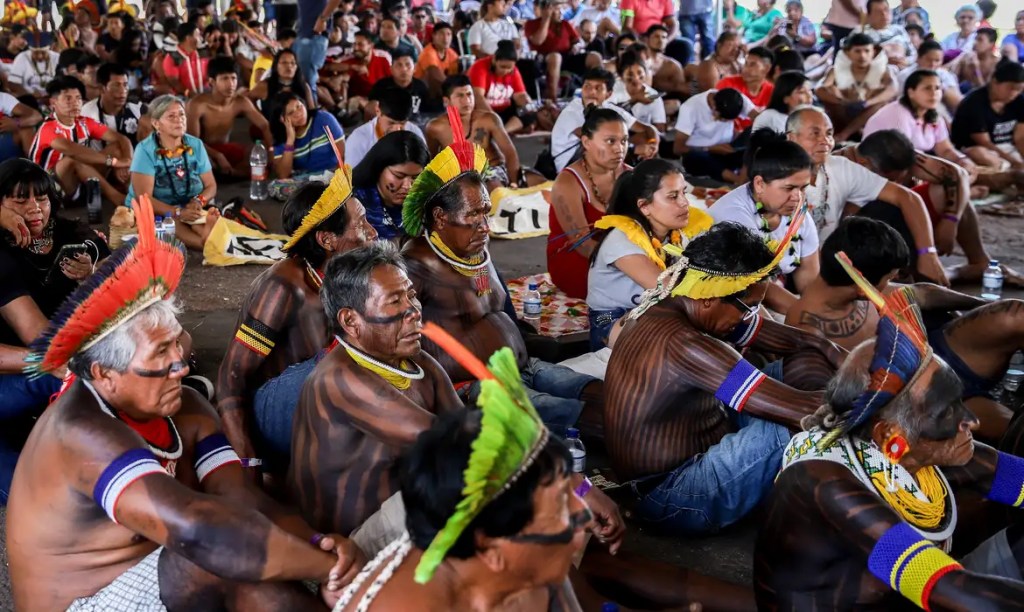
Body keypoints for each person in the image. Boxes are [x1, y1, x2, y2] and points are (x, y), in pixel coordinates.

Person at [5, 194, 364, 611]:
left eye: (177, 343)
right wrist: (327, 568)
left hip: (160, 575)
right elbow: (197, 531)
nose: (180, 364)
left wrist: (319, 543)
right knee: (209, 554)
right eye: (161, 353)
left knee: (245, 563)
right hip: (85, 602)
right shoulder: (80, 430)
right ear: (104, 374)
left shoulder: (187, 406)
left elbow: (243, 499)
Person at [757, 256, 1024, 609]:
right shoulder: (824, 483)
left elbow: (1018, 480)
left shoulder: (925, 450)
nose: (971, 421)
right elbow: (939, 585)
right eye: (946, 411)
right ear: (888, 435)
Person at [603, 221, 843, 536]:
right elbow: (806, 412)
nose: (749, 317)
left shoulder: (679, 301)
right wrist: (878, 393)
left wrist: (832, 349)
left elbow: (793, 340)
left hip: (700, 445)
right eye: (749, 308)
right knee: (796, 426)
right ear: (709, 297)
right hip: (672, 495)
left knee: (809, 361)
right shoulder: (689, 346)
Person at [401, 114, 603, 434]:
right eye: (474, 215)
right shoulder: (414, 266)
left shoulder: (473, 247)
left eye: (486, 212)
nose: (486, 226)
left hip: (525, 366)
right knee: (593, 416)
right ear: (439, 217)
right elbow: (394, 345)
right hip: (478, 387)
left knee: (606, 394)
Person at [331, 362, 587, 610]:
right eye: (561, 507)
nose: (583, 513)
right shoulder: (403, 605)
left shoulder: (527, 555)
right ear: (490, 549)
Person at [786, 216, 1018, 440]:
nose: (890, 284)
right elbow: (843, 405)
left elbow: (922, 293)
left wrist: (982, 305)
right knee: (1016, 431)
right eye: (888, 278)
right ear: (861, 284)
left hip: (938, 351)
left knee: (1015, 314)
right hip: (925, 400)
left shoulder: (854, 287)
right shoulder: (807, 330)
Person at [288, 241, 462, 537]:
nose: (413, 310)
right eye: (395, 301)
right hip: (353, 542)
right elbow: (445, 439)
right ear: (350, 321)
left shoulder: (420, 363)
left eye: (411, 295)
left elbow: (463, 425)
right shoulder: (340, 378)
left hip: (401, 513)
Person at [218, 170, 378, 472]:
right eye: (360, 224)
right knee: (335, 368)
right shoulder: (283, 286)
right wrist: (248, 460)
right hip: (275, 414)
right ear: (327, 239)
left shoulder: (345, 278)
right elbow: (232, 375)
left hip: (321, 407)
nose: (373, 232)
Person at [0, 159, 110, 502]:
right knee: (31, 491)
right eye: (20, 200)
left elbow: (113, 262)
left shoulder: (63, 233)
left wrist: (92, 272)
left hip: (24, 377)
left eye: (41, 198)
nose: (34, 207)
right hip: (21, 372)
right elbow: (41, 340)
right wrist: (54, 361)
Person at [837, 129, 1024, 289]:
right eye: (891, 178)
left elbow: (956, 175)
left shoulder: (894, 155)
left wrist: (950, 221)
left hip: (903, 213)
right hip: (866, 231)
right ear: (865, 163)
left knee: (952, 193)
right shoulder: (839, 167)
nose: (898, 181)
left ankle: (980, 262)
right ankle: (948, 274)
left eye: (902, 176)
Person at [785, 107, 948, 287]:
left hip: (831, 262)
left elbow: (907, 197)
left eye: (829, 134)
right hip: (789, 265)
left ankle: (912, 276)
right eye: (815, 134)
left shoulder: (839, 167)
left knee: (888, 210)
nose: (825, 140)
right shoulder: (775, 176)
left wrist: (928, 253)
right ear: (792, 138)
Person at [587, 158, 713, 349]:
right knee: (684, 341)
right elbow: (672, 291)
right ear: (644, 206)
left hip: (657, 312)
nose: (685, 203)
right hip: (613, 319)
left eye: (683, 193)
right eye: (673, 196)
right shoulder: (622, 240)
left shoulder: (675, 233)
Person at [710, 131, 818, 313]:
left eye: (803, 188)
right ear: (759, 184)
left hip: (777, 300)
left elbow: (809, 276)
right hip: (737, 304)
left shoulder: (798, 211)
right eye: (789, 188)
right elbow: (758, 288)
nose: (797, 197)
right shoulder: (734, 216)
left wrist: (818, 311)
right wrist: (810, 316)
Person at [548, 109, 628, 300]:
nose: (619, 149)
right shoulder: (568, 182)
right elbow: (582, 244)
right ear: (586, 142)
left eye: (624, 141)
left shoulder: (630, 176)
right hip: (579, 263)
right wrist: (633, 265)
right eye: (610, 141)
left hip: (623, 258)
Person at [126, 95, 217, 251]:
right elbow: (144, 199)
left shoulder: (195, 144)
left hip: (189, 207)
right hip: (156, 210)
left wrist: (198, 201)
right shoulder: (145, 150)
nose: (178, 120)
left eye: (181, 114)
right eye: (171, 116)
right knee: (171, 223)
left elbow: (211, 185)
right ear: (156, 123)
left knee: (198, 222)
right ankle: (205, 245)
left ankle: (209, 238)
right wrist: (178, 212)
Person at [28, 75, 133, 205]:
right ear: (53, 103)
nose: (75, 103)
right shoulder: (48, 127)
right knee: (73, 159)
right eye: (68, 99)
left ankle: (132, 191)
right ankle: (118, 198)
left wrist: (127, 162)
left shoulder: (84, 122)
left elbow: (122, 139)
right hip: (49, 190)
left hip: (81, 182)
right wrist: (114, 162)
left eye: (78, 98)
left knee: (116, 148)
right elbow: (72, 150)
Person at [551, 68, 658, 174]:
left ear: (608, 94)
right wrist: (634, 149)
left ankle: (639, 174)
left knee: (643, 137)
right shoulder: (572, 111)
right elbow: (593, 139)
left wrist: (653, 144)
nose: (592, 92)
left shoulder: (608, 108)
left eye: (598, 88)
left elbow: (647, 128)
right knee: (598, 144)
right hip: (569, 165)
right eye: (587, 86)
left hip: (600, 156)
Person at [425, 75, 522, 191]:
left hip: (491, 171)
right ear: (446, 101)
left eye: (469, 94)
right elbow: (431, 160)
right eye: (460, 96)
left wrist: (514, 183)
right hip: (460, 177)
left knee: (492, 185)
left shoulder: (489, 119)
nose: (467, 101)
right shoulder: (435, 128)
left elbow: (510, 152)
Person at [186, 56, 274, 178]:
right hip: (203, 152)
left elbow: (264, 125)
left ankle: (232, 173)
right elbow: (192, 141)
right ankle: (229, 174)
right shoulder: (197, 104)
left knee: (257, 152)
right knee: (200, 161)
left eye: (233, 78)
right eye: (225, 79)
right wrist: (217, 156)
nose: (231, 84)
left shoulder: (240, 102)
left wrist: (271, 151)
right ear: (212, 82)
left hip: (225, 150)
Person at [816, 33, 898, 143]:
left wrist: (867, 103)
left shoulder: (884, 70)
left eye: (867, 51)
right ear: (848, 53)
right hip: (844, 114)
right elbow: (819, 89)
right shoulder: (836, 69)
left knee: (882, 102)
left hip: (869, 113)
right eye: (857, 51)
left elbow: (893, 88)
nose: (862, 56)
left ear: (873, 52)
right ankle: (852, 132)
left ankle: (845, 134)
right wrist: (842, 101)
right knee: (831, 93)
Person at [352, 130, 430, 241]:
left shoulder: (427, 201)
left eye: (416, 177)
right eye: (399, 176)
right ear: (379, 167)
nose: (408, 186)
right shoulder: (354, 205)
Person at [951, 59, 1024, 171]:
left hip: (1010, 148)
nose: (1014, 93)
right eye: (1010, 88)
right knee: (979, 154)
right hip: (983, 150)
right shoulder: (974, 103)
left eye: (1018, 89)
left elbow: (1020, 137)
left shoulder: (1019, 101)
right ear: (994, 82)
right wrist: (1013, 162)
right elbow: (984, 142)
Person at [673, 86, 752, 183]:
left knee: (755, 132)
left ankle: (745, 173)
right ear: (714, 107)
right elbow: (678, 149)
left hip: (728, 149)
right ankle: (738, 180)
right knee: (698, 157)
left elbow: (760, 118)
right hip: (703, 153)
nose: (724, 122)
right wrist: (709, 148)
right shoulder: (690, 107)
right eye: (723, 119)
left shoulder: (736, 98)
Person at [271, 92, 346, 180]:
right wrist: (290, 140)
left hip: (333, 174)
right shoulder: (281, 137)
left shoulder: (324, 119)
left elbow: (343, 156)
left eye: (299, 106)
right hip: (305, 181)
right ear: (282, 119)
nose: (298, 113)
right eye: (291, 113)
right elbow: (283, 175)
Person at [346, 88, 426, 169]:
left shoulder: (415, 133)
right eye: (391, 123)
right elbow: (353, 175)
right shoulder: (358, 139)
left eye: (402, 124)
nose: (397, 129)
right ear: (378, 111)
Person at [467, 40, 533, 134]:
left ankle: (502, 132)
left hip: (504, 111)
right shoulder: (480, 67)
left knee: (529, 115)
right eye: (502, 67)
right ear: (494, 60)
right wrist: (494, 118)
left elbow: (520, 95)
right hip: (484, 111)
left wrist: (528, 104)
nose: (505, 71)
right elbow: (478, 97)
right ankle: (499, 131)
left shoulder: (514, 71)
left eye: (509, 68)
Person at [81, 63, 148, 150]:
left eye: (125, 85)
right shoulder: (86, 113)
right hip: (101, 157)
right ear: (101, 88)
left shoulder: (138, 108)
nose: (123, 91)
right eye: (116, 85)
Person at [896, 40, 963, 118]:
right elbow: (901, 102)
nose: (932, 64)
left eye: (937, 60)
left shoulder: (945, 75)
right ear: (918, 58)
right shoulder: (904, 76)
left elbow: (956, 99)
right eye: (928, 60)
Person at [716, 45, 774, 128]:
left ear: (766, 68)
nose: (746, 69)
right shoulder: (727, 84)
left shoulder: (773, 92)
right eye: (746, 63)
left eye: (752, 65)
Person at [366, 50, 432, 121]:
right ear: (391, 69)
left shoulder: (421, 87)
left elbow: (427, 111)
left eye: (408, 65)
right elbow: (371, 107)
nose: (404, 69)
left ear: (414, 68)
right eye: (399, 65)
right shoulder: (381, 86)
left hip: (414, 123)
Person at [248, 48, 316, 115]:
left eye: (292, 63)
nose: (289, 66)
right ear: (276, 66)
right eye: (284, 62)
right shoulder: (265, 86)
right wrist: (259, 117)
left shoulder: (304, 86)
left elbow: (312, 112)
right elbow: (248, 100)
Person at [294, 0, 338, 102]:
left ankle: (312, 110)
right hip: (304, 33)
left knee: (306, 82)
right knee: (301, 81)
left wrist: (323, 18)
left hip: (313, 35)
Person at [339, 31, 393, 109]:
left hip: (382, 103)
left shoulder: (383, 61)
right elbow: (330, 67)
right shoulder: (350, 61)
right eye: (354, 44)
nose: (356, 48)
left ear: (371, 45)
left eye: (360, 44)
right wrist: (352, 67)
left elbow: (391, 83)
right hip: (357, 104)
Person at [855, 0, 915, 68]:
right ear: (869, 15)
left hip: (905, 68)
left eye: (886, 10)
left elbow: (913, 54)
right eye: (878, 12)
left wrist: (906, 61)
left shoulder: (899, 30)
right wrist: (884, 61)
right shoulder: (862, 34)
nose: (884, 14)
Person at [414, 21, 458, 99]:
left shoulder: (452, 53)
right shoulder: (428, 53)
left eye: (448, 34)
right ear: (434, 35)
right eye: (441, 33)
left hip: (443, 92)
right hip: (422, 93)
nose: (446, 38)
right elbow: (435, 76)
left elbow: (455, 75)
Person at [161, 21, 207, 96]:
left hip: (205, 96)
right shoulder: (172, 58)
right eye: (197, 35)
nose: (200, 38)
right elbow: (175, 83)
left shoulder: (202, 53)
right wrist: (189, 94)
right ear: (188, 38)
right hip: (184, 99)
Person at [7, 32, 59, 97]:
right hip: (29, 98)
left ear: (49, 49)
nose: (40, 56)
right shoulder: (22, 57)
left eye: (43, 52)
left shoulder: (57, 58)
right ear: (30, 50)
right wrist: (29, 96)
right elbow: (13, 83)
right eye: (36, 53)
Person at [949, 27, 1000, 91]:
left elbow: (986, 92)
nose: (975, 43)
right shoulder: (965, 57)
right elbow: (951, 82)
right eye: (975, 39)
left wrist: (976, 70)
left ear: (991, 44)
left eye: (980, 40)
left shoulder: (996, 64)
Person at [0, 85, 41, 161]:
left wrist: (16, 123)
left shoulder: (3, 98)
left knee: (26, 129)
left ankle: (33, 164)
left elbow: (37, 116)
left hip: (4, 140)